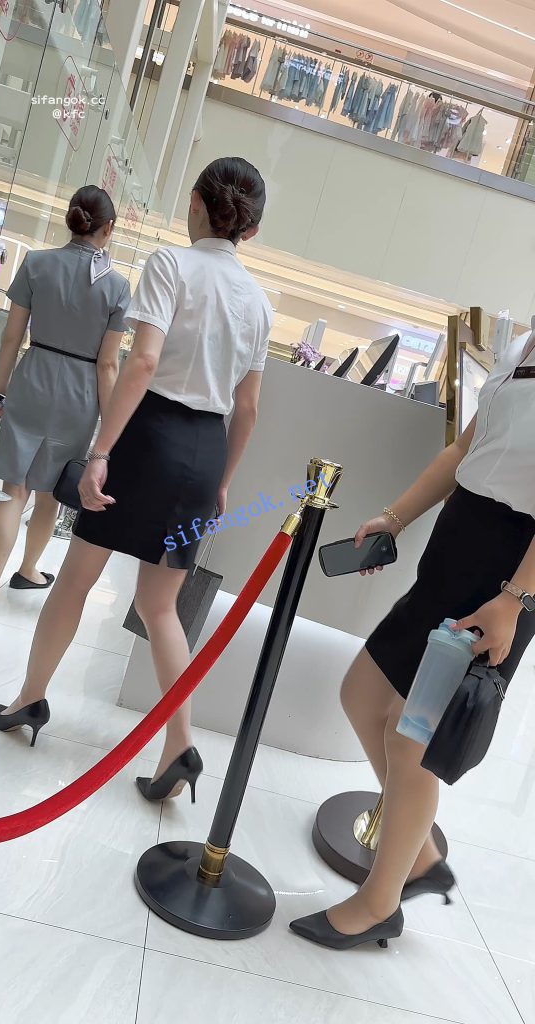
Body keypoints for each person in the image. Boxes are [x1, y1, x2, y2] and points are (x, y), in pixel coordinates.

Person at [0, 157, 273, 798]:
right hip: (206, 450)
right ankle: (180, 744)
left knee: (76, 579)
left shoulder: (171, 264)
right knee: (161, 605)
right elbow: (250, 408)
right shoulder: (260, 303)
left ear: (195, 202)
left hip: (148, 438)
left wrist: (100, 452)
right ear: (251, 231)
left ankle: (30, 698)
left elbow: (142, 361)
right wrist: (223, 481)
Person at [291, 323, 535, 950]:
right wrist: (395, 517)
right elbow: (464, 451)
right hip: (457, 544)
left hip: (508, 572)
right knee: (362, 693)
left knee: (412, 737)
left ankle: (380, 903)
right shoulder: (521, 344)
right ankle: (420, 855)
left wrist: (514, 599)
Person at [0, 186, 130, 618]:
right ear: (108, 228)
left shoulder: (36, 263)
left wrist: (1, 390)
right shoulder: (117, 286)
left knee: (14, 490)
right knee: (51, 494)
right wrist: (109, 424)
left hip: (33, 378)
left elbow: (11, 336)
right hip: (80, 394)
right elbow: (109, 364)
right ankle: (28, 570)